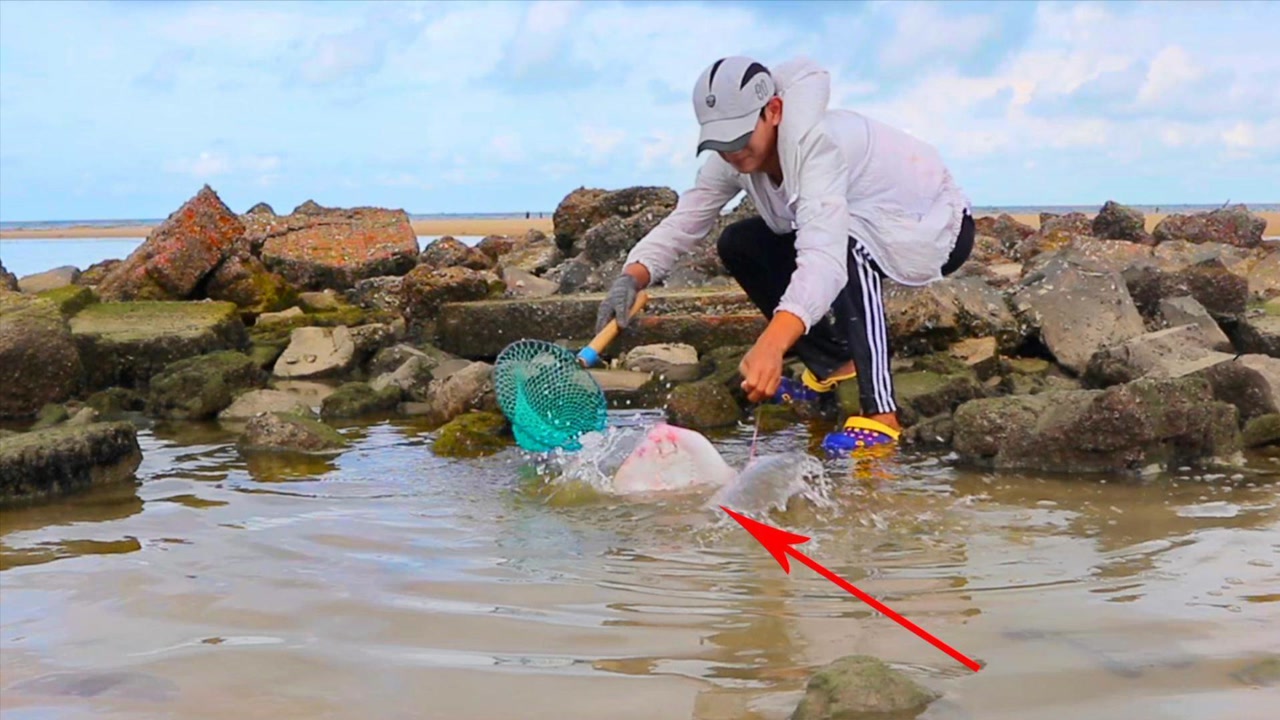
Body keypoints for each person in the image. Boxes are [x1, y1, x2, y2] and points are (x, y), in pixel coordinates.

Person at [595, 55, 974, 455]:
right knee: (739, 242)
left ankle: (882, 415)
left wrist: (773, 344)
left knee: (846, 246)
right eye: (720, 142)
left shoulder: (817, 146)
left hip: (932, 227)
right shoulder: (735, 156)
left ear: (773, 111)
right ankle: (835, 367)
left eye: (740, 137)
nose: (732, 152)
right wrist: (632, 277)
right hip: (852, 227)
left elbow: (825, 259)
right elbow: (688, 217)